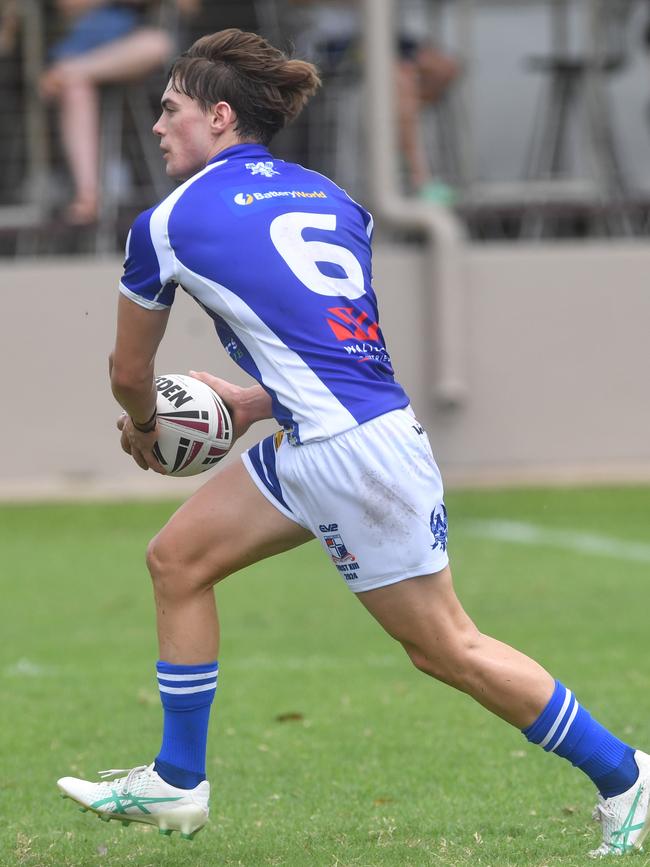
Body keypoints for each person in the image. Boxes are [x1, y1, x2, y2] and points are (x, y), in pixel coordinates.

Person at [56, 27, 650, 857]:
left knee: (447, 646)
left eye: (171, 108)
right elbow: (340, 358)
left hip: (349, 456)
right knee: (178, 560)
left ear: (220, 116)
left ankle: (627, 775)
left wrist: (148, 426)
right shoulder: (334, 201)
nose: (158, 127)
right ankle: (177, 782)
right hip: (336, 434)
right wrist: (248, 403)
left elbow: (127, 370)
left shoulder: (168, 222)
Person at [40, 0, 199, 225]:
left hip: (130, 51)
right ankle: (88, 198)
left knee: (158, 44)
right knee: (75, 90)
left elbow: (189, 7)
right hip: (81, 49)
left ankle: (68, 73)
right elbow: (68, 6)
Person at [291, 0, 459, 198]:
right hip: (336, 41)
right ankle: (419, 176)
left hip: (385, 34)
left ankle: (396, 130)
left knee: (444, 68)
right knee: (400, 78)